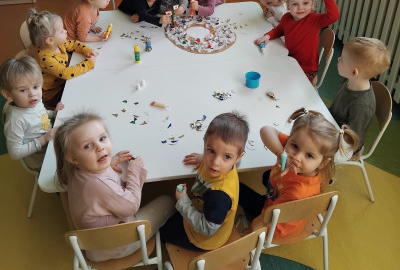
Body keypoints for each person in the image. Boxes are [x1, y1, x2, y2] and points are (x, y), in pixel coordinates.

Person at [54, 112, 175, 262]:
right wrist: (134, 170)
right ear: (73, 158)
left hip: (94, 245)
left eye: (102, 138)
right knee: (168, 200)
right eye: (87, 146)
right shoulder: (101, 186)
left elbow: (97, 186)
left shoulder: (73, 169)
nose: (100, 148)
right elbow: (132, 205)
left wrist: (108, 163)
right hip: (117, 247)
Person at [239, 108, 358, 238]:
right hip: (283, 207)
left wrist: (253, 230)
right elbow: (266, 130)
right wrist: (279, 152)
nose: (297, 157)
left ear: (323, 163)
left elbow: (267, 219)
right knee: (266, 176)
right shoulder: (301, 145)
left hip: (275, 227)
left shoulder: (297, 191)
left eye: (309, 155)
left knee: (238, 189)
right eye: (294, 146)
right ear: (291, 138)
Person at [160, 112, 249, 251]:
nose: (215, 163)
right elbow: (222, 154)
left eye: (226, 156)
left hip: (204, 239)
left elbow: (207, 229)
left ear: (237, 158)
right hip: (202, 206)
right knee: (174, 216)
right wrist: (203, 157)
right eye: (211, 151)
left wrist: (183, 201)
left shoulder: (219, 197)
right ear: (205, 142)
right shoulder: (226, 164)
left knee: (164, 230)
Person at [254, 0, 340, 84]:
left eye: (305, 3)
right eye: (295, 4)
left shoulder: (314, 20)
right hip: (289, 60)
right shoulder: (286, 17)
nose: (300, 8)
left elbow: (334, 16)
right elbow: (279, 30)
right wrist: (268, 35)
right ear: (288, 5)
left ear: (312, 3)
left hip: (306, 69)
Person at [329, 37, 390, 160]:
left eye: (342, 59)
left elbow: (351, 139)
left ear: (354, 72)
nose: (338, 59)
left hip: (346, 145)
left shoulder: (362, 105)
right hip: (333, 125)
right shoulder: (349, 80)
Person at [0, 56, 64, 170]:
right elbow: (15, 153)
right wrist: (44, 139)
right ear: (8, 95)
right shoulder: (15, 121)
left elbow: (41, 114)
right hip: (40, 159)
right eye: (23, 90)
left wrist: (53, 113)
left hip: (51, 142)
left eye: (35, 87)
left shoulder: (33, 102)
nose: (32, 94)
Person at [27, 9, 97, 110]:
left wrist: (86, 50)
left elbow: (73, 44)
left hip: (64, 82)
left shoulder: (57, 44)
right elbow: (65, 73)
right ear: (50, 40)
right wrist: (87, 64)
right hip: (53, 93)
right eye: (61, 31)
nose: (66, 31)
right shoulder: (46, 58)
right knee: (79, 100)